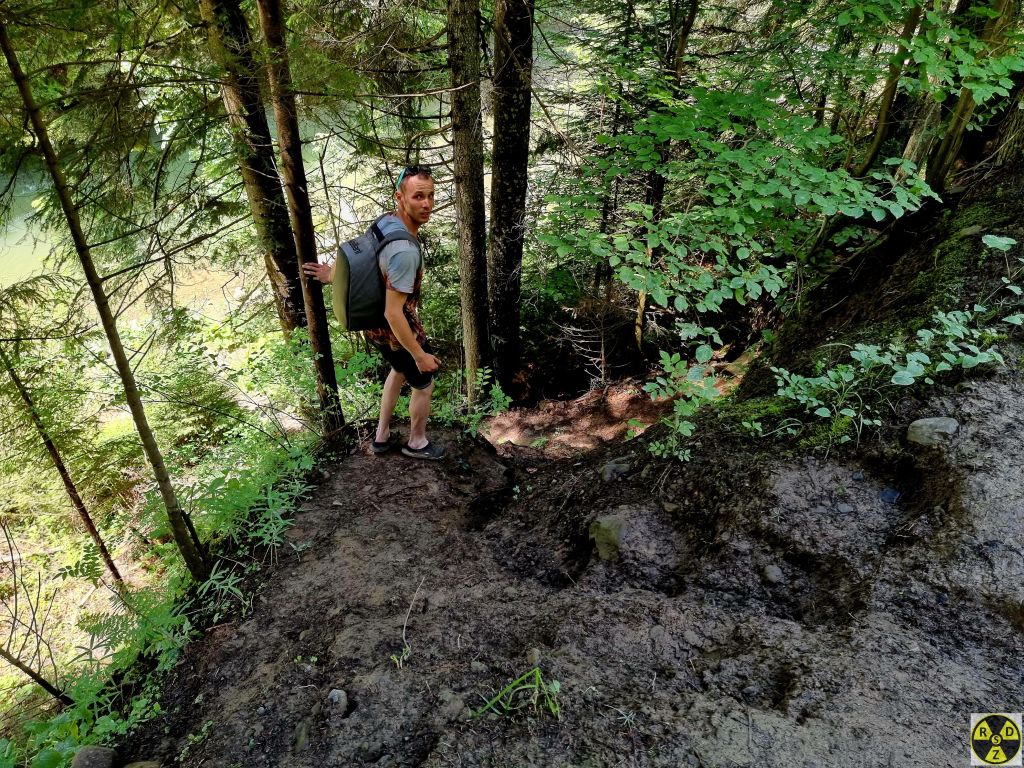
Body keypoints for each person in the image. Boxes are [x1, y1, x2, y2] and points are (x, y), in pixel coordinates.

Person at [303, 165, 445, 460]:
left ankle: (381, 437)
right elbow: (395, 313)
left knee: (398, 369)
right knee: (424, 382)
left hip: (372, 324)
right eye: (418, 196)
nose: (427, 204)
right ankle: (416, 442)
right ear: (400, 197)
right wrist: (419, 355)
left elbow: (366, 259)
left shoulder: (385, 222)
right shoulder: (405, 251)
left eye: (431, 195)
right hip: (395, 327)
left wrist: (334, 275)